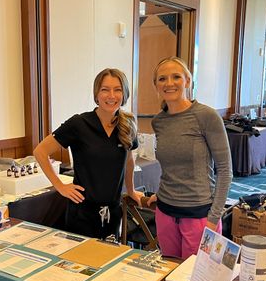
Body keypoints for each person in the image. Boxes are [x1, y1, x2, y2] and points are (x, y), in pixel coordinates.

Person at [33, 68, 143, 239]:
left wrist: (131, 189)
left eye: (117, 89)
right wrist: (60, 186)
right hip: (82, 213)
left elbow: (128, 160)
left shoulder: (128, 124)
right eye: (105, 89)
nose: (111, 95)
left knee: (109, 262)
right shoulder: (79, 124)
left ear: (124, 93)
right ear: (96, 94)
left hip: (112, 213)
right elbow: (40, 151)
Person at [147, 57, 232, 259]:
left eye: (176, 77)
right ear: (156, 86)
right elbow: (171, 165)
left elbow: (225, 170)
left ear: (188, 81)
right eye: (162, 79)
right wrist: (160, 194)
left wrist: (214, 218)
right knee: (170, 277)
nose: (169, 83)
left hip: (200, 214)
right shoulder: (158, 122)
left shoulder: (206, 116)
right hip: (165, 212)